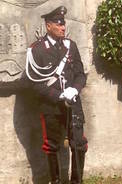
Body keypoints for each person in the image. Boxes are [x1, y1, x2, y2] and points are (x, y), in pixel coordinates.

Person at [25, 6, 88, 183]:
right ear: (48, 26)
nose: (62, 27)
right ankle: (56, 181)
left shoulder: (71, 46)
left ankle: (77, 181)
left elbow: (80, 74)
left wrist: (74, 89)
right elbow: (34, 83)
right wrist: (59, 96)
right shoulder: (37, 50)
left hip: (73, 104)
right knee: (52, 145)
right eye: (58, 24)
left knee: (79, 144)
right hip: (51, 107)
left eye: (63, 24)